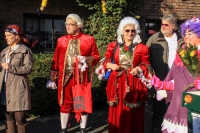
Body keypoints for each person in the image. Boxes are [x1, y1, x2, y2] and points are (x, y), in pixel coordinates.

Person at [95, 17, 153, 133]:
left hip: (134, 83)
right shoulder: (113, 46)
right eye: (127, 30)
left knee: (134, 113)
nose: (130, 33)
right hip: (117, 83)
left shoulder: (142, 48)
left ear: (136, 32)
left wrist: (138, 69)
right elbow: (103, 61)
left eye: (132, 31)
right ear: (122, 31)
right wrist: (110, 66)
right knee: (117, 111)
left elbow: (147, 66)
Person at [46, 14, 100, 133]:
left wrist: (85, 59)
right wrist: (52, 78)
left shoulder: (89, 39)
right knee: (64, 104)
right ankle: (64, 130)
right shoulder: (61, 40)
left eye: (71, 24)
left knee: (82, 105)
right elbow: (55, 60)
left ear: (78, 25)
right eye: (66, 24)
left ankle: (82, 130)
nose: (68, 27)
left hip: (81, 79)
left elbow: (96, 57)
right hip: (65, 80)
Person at [151, 17, 200, 133]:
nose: (186, 36)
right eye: (185, 33)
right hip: (178, 105)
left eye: (191, 33)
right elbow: (176, 81)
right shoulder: (181, 54)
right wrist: (163, 85)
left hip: (196, 105)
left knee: (194, 128)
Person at [146, 14, 184, 133]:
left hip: (178, 79)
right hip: (160, 78)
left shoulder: (182, 40)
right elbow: (146, 58)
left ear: (174, 26)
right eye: (162, 24)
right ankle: (156, 127)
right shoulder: (154, 38)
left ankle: (173, 129)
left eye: (166, 25)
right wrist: (150, 75)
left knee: (176, 106)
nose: (163, 26)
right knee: (159, 105)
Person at [0, 24, 33, 133]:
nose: (6, 38)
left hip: (18, 90)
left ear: (16, 36)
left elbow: (28, 69)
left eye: (9, 35)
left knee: (20, 119)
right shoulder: (4, 52)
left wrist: (11, 67)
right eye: (5, 35)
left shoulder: (25, 51)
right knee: (8, 118)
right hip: (5, 90)